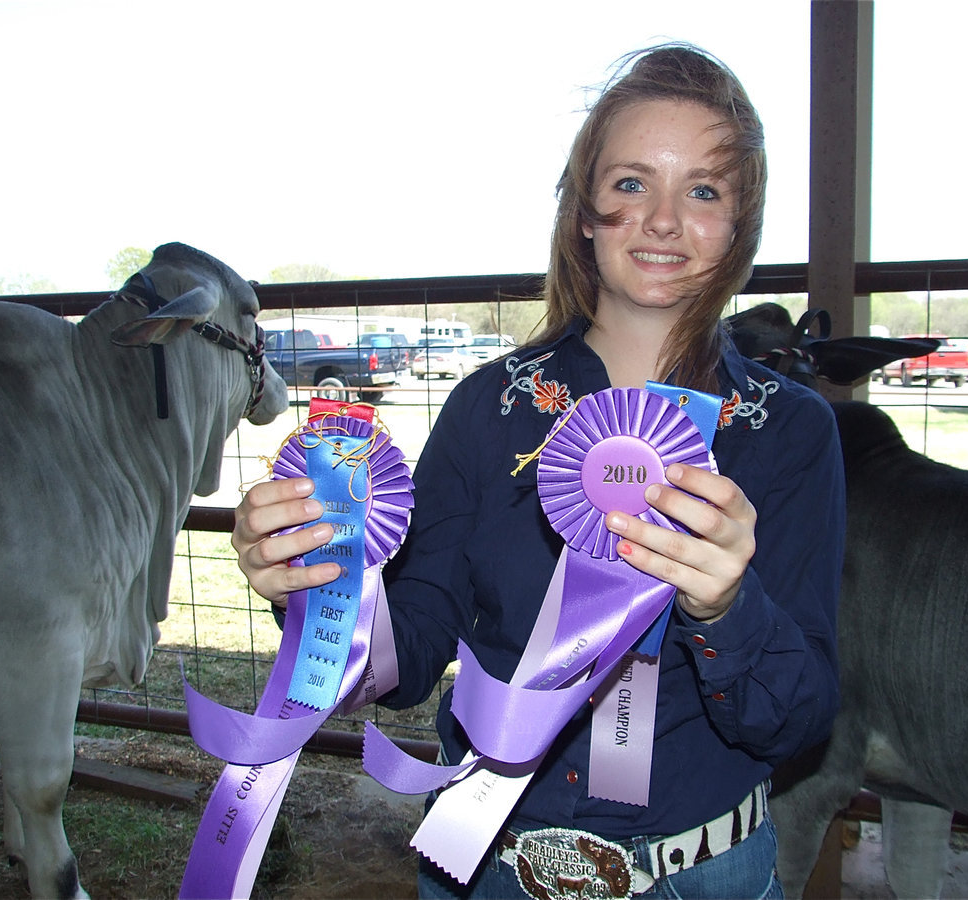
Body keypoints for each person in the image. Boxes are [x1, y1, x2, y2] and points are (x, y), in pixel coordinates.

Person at [233, 43, 844, 900]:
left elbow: (797, 720)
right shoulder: (488, 409)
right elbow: (409, 656)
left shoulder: (791, 431)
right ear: (585, 212)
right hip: (488, 867)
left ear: (740, 223)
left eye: (704, 190)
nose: (663, 220)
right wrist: (316, 582)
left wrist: (728, 608)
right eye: (631, 183)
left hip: (701, 877)